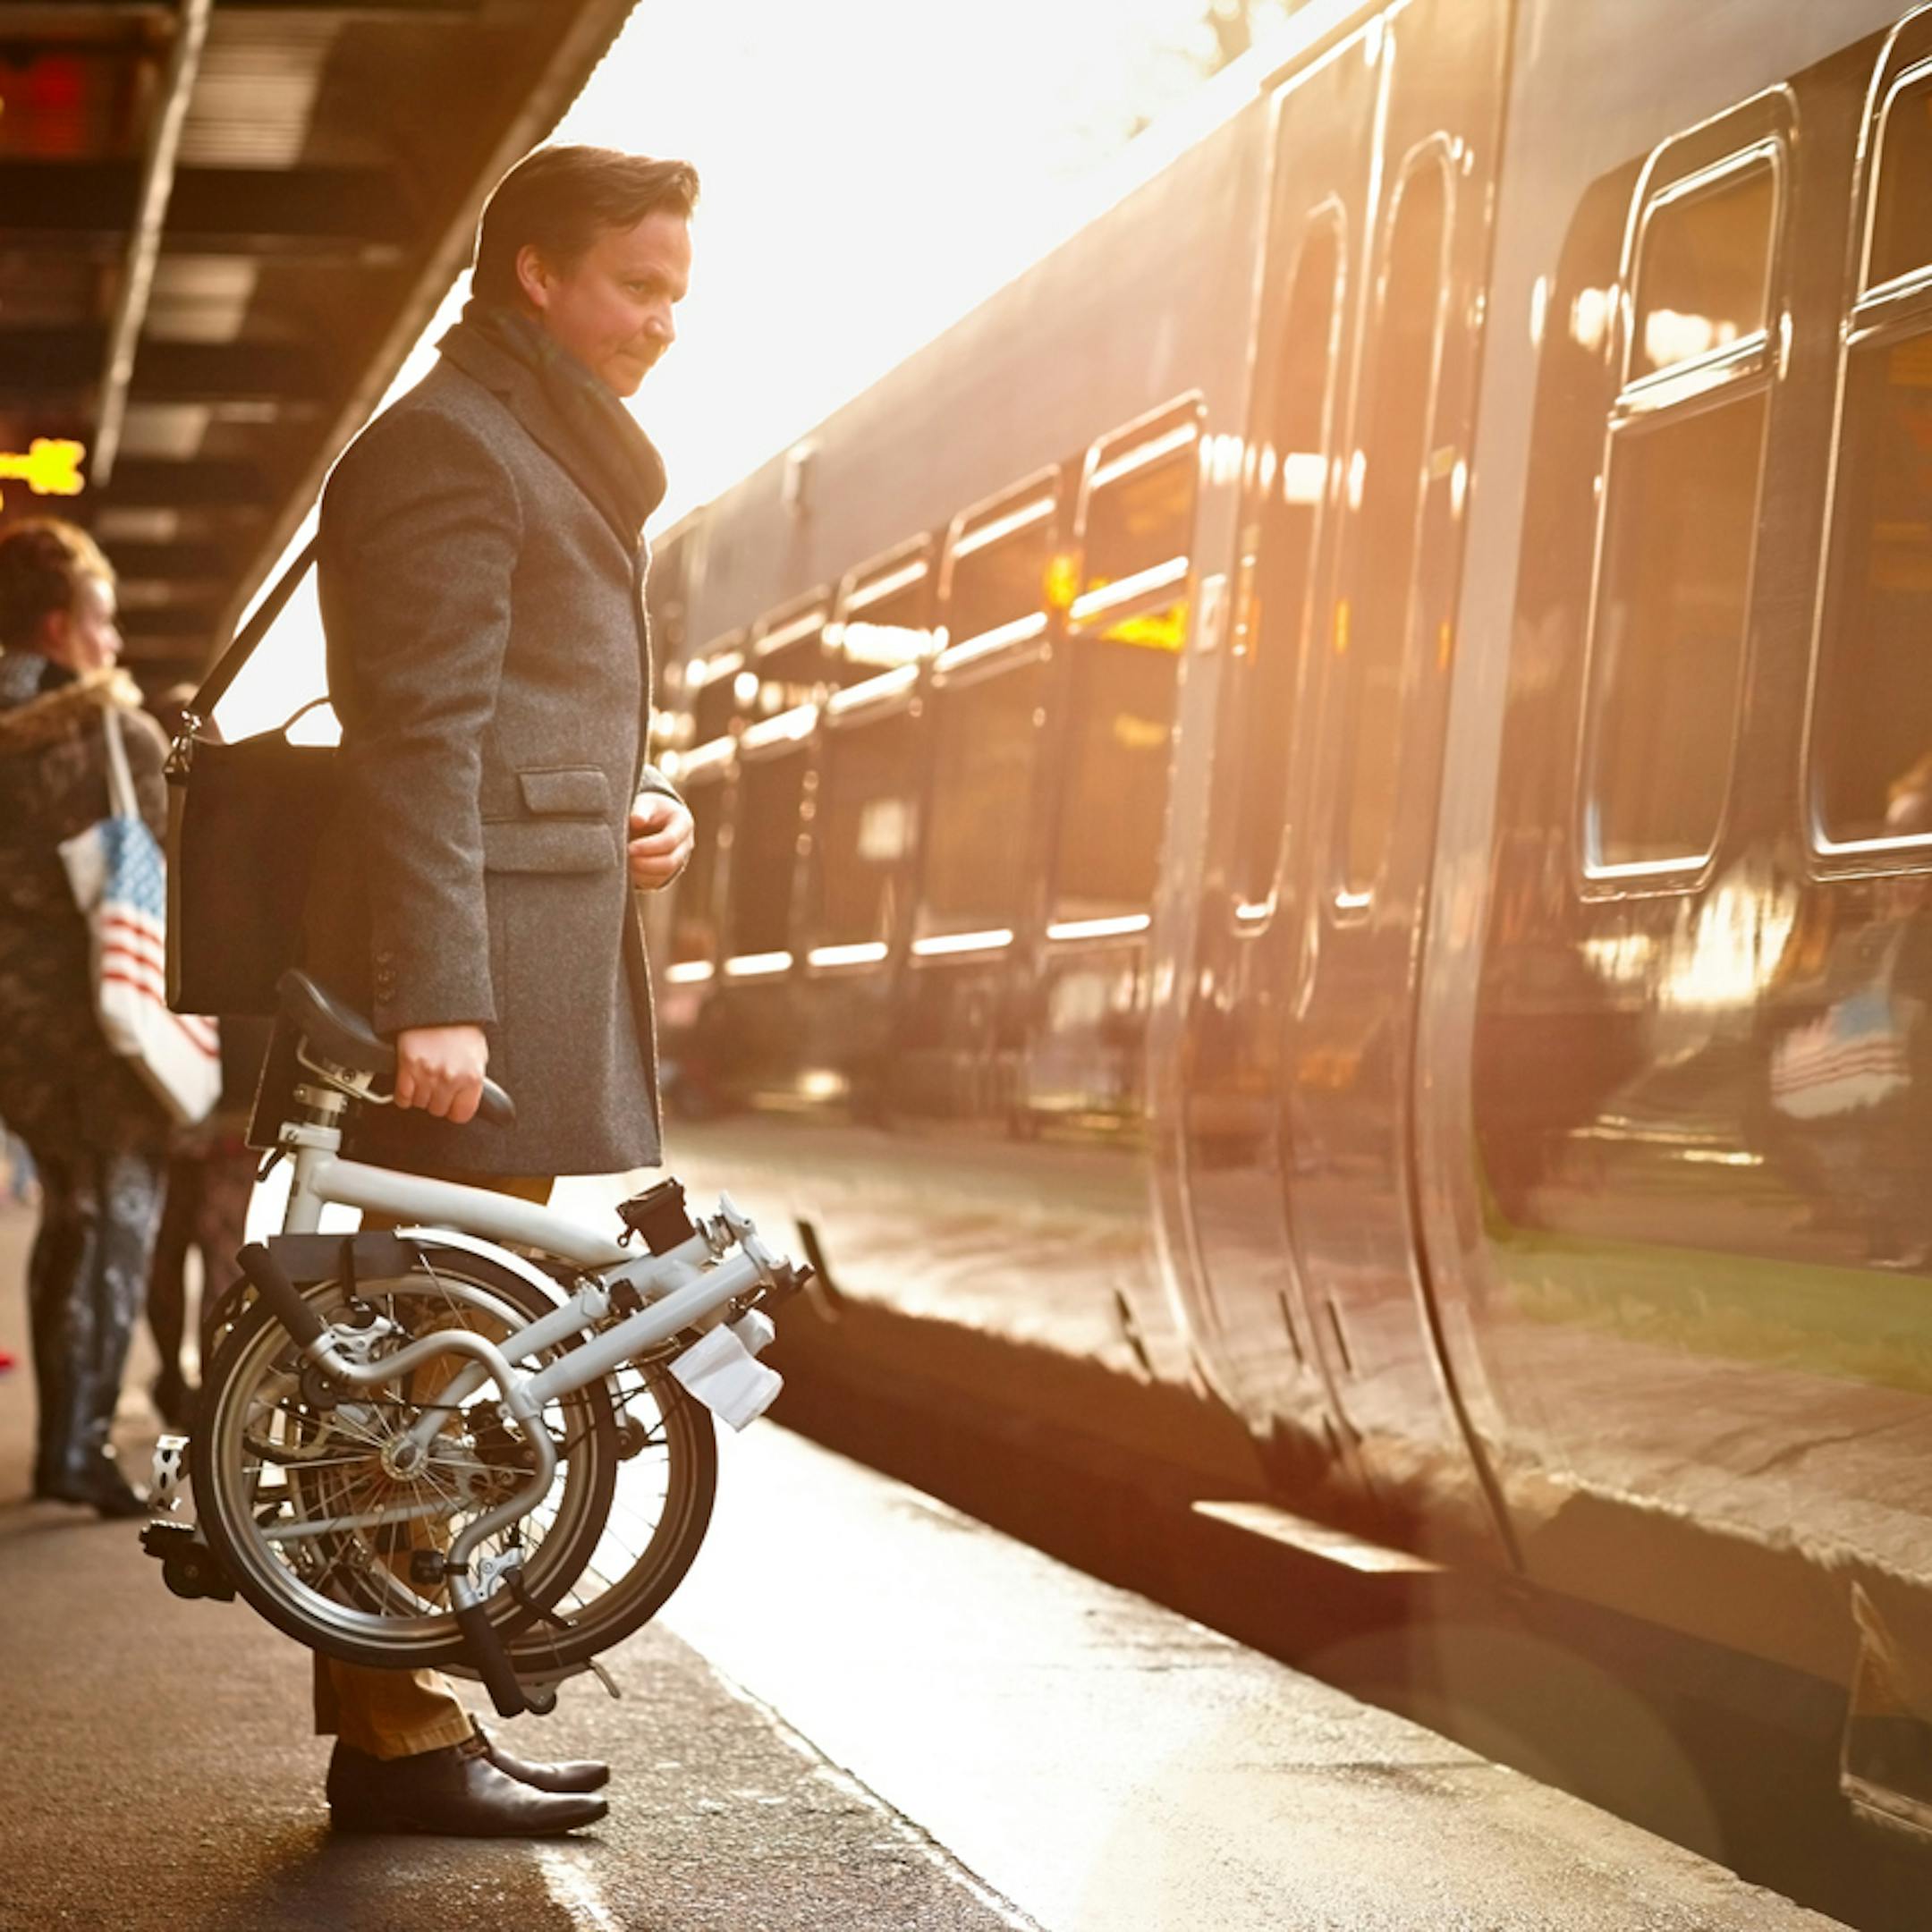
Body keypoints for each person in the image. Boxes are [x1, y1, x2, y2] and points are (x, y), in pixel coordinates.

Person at [295, 144, 699, 1837]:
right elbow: (420, 742)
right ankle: (393, 1738)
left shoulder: (525, 439)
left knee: (449, 1354)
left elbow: (526, 723)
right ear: (535, 271)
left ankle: (405, 1718)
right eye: (638, 285)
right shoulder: (452, 449)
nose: (664, 323)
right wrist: (434, 998)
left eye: (679, 291)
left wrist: (637, 807)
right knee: (424, 1359)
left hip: (526, 952)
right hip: (474, 1001)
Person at [0, 520, 173, 1516]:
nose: (116, 644)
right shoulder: (112, 734)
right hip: (99, 1035)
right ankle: (82, 1447)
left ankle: (61, 1440)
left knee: (68, 1218)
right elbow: (161, 890)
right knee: (116, 1225)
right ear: (62, 626)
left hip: (14, 1044)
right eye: (104, 621)